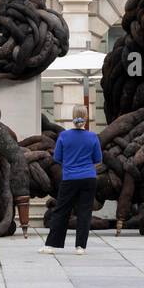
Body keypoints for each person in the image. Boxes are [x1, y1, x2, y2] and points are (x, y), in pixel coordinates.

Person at [39, 105, 102, 255]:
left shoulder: (64, 136)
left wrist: (71, 162)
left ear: (72, 117)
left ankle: (51, 245)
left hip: (70, 178)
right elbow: (98, 159)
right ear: (86, 118)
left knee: (61, 211)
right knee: (84, 212)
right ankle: (80, 247)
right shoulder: (93, 137)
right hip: (89, 178)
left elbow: (57, 158)